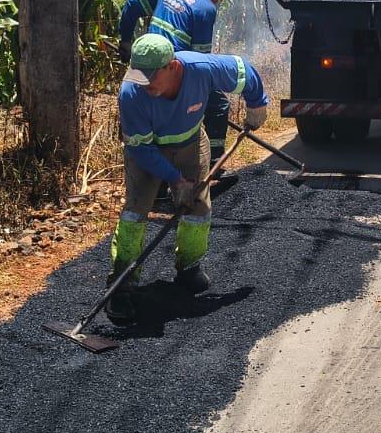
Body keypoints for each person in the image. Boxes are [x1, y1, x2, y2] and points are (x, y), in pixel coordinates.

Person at [109, 33, 270, 325]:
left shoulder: (200, 69)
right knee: (135, 211)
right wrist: (175, 180)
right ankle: (122, 282)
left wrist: (257, 103)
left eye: (150, 77)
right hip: (148, 150)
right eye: (139, 76)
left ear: (172, 66)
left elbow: (243, 71)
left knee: (198, 209)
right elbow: (141, 150)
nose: (143, 84)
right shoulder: (131, 93)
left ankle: (189, 267)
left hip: (191, 143)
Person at [118, 0, 235, 168]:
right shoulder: (205, 8)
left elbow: (132, 3)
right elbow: (201, 61)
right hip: (172, 68)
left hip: (145, 63)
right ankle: (215, 165)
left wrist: (126, 41)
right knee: (219, 105)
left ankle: (152, 172)